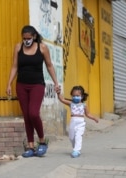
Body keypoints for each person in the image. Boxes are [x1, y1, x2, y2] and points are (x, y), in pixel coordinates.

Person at [6, 25, 59, 158]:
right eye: (24, 38)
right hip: (21, 85)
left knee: (33, 113)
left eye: (29, 38)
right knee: (27, 116)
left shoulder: (42, 48)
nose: (26, 41)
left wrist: (56, 83)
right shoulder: (18, 47)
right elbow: (14, 66)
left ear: (34, 36)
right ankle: (30, 146)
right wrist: (9, 84)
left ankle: (42, 141)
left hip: (37, 85)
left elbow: (49, 65)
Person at [56, 85, 99, 158]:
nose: (75, 97)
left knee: (78, 136)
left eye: (77, 95)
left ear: (81, 96)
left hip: (81, 123)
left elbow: (88, 114)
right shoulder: (71, 103)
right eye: (73, 95)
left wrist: (94, 118)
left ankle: (77, 150)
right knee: (71, 137)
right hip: (73, 122)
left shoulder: (84, 105)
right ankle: (75, 147)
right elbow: (62, 100)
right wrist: (58, 93)